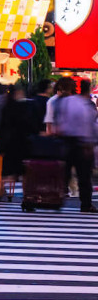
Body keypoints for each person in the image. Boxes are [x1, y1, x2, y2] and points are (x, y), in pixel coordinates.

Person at [41, 75, 97, 211]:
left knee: (63, 174)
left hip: (65, 141)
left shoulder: (60, 102)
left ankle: (55, 200)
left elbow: (56, 123)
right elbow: (91, 125)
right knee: (83, 176)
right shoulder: (86, 104)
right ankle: (86, 204)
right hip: (82, 143)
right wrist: (92, 142)